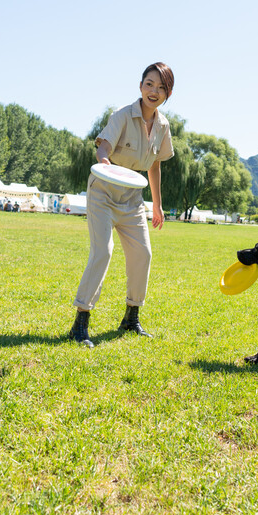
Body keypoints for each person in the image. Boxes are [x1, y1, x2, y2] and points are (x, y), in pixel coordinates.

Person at [70, 62, 175, 348]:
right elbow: (103, 145)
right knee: (103, 251)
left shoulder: (163, 126)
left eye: (161, 87)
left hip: (132, 197)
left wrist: (157, 205)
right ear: (140, 85)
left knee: (143, 253)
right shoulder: (122, 115)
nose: (154, 91)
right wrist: (104, 160)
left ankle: (131, 318)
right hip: (103, 191)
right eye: (149, 84)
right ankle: (80, 322)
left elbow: (154, 164)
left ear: (168, 93)